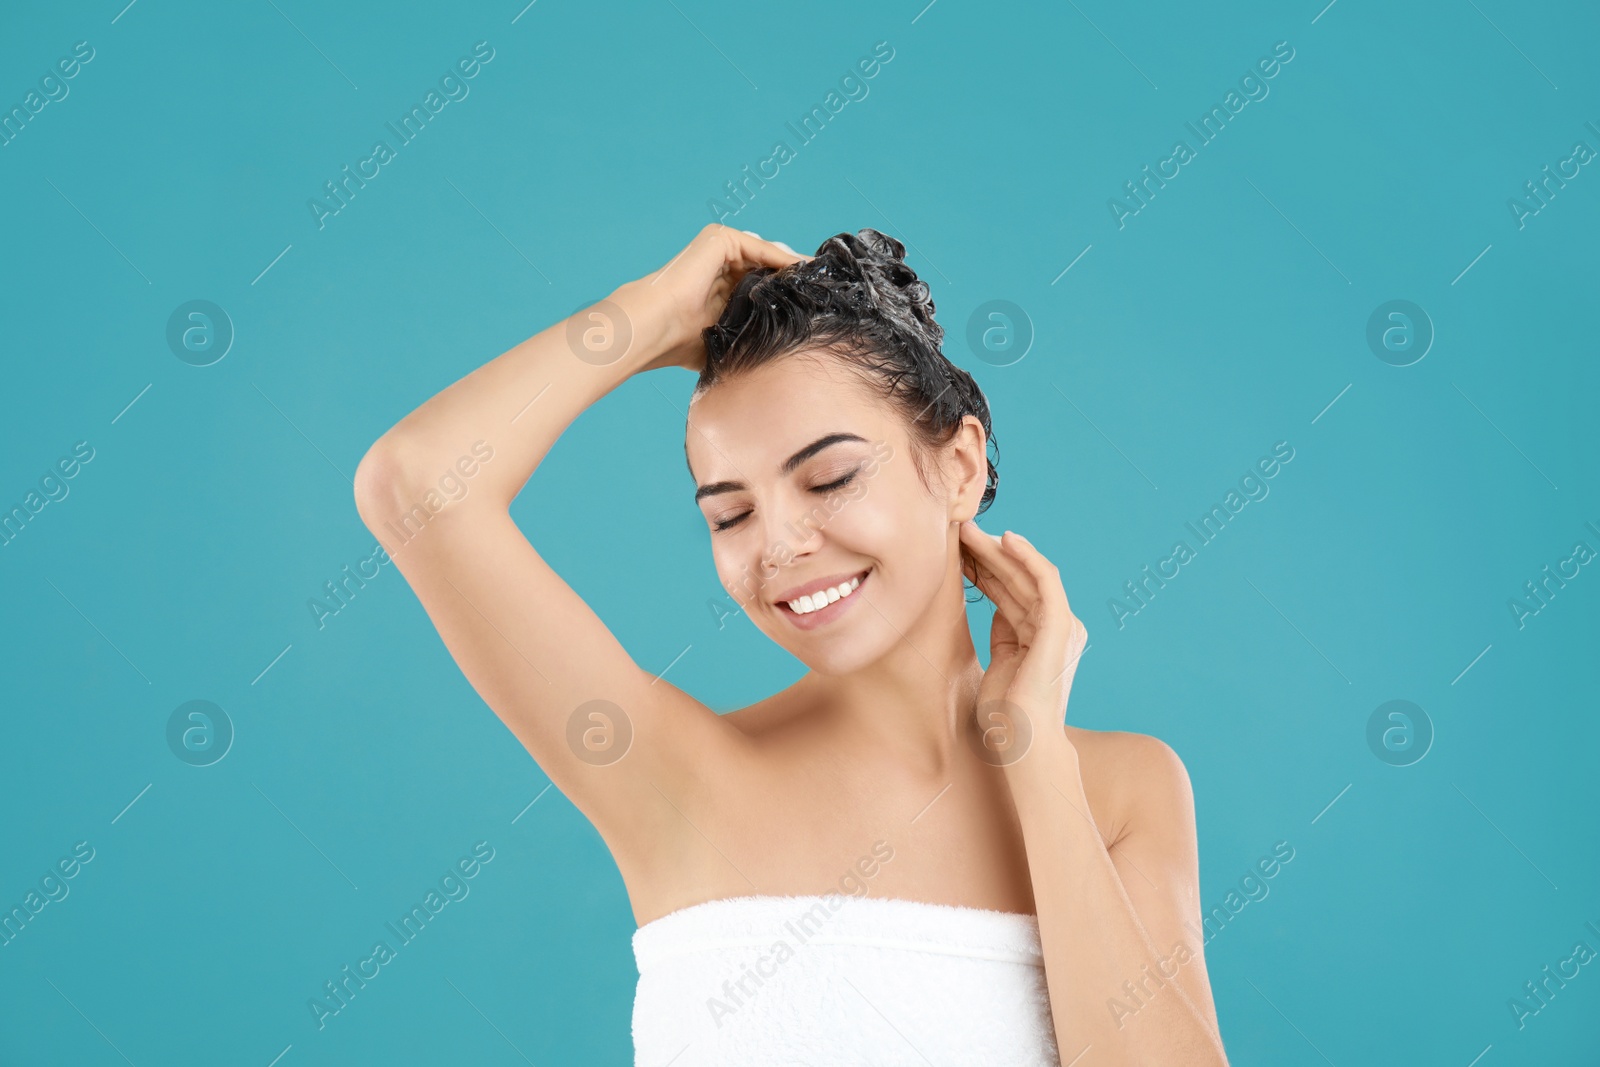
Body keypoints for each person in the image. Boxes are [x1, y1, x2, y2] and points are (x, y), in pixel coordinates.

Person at [353, 224, 1229, 1065]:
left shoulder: (1125, 793)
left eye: (830, 477)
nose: (777, 545)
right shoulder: (675, 777)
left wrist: (1034, 759)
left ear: (959, 468)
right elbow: (418, 484)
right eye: (730, 513)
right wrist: (647, 312)